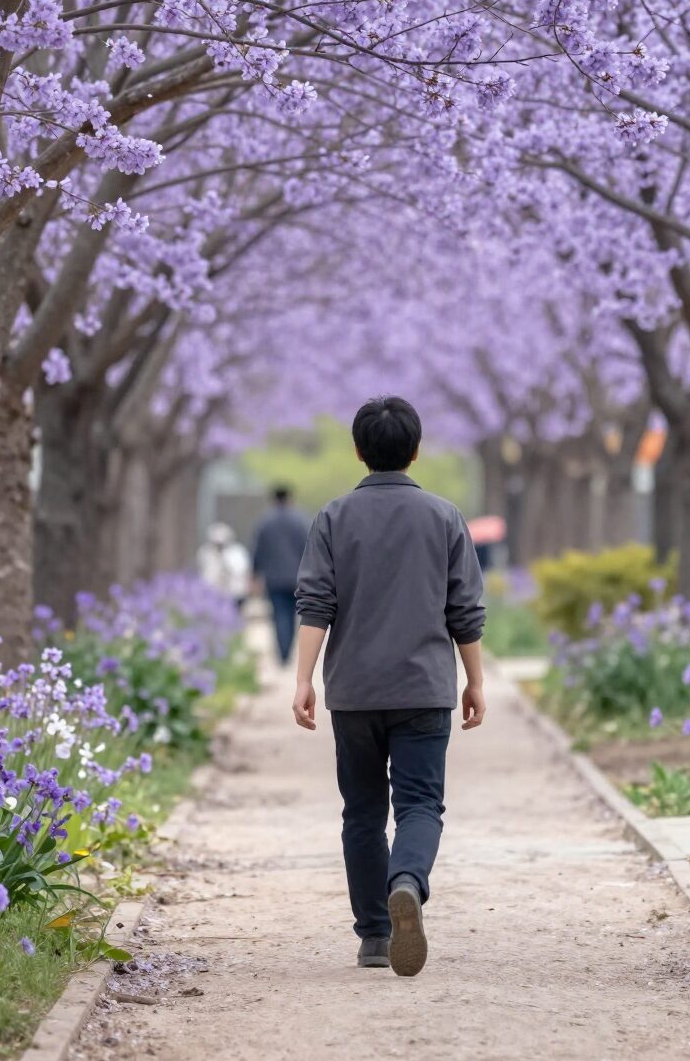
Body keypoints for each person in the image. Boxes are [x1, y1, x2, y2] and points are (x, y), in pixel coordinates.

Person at [291, 396, 486, 978]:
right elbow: (465, 610)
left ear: (358, 451)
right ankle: (407, 881)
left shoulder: (332, 517)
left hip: (353, 692)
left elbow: (315, 604)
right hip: (425, 689)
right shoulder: (445, 517)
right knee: (421, 804)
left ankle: (375, 936)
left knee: (362, 812)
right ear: (416, 450)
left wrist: (302, 679)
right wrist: (475, 680)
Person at [251, 485, 308, 666]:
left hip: (273, 578)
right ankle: (287, 651)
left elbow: (258, 551)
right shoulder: (300, 521)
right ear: (290, 498)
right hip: (296, 578)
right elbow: (308, 548)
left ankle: (282, 653)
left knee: (278, 615)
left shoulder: (265, 522)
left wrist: (254, 574)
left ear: (273, 499)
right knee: (291, 616)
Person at [197, 522, 252, 607]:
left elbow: (240, 570)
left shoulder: (236, 552)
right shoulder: (206, 552)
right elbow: (205, 573)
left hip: (234, 593)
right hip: (213, 593)